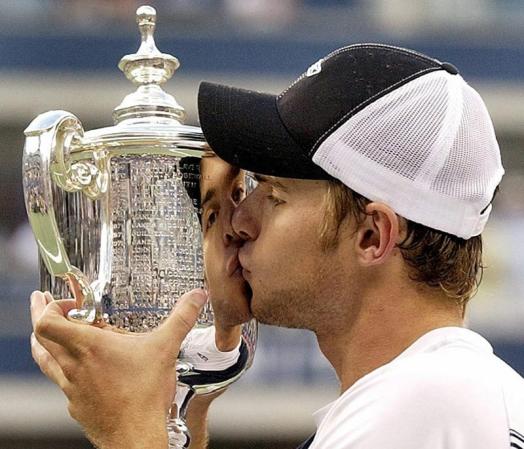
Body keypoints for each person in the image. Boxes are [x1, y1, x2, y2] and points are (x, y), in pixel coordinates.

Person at [31, 43, 524, 449]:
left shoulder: (420, 405)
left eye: (274, 194)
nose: (239, 219)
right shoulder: (439, 393)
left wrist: (124, 431)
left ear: (373, 236)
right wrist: (181, 400)